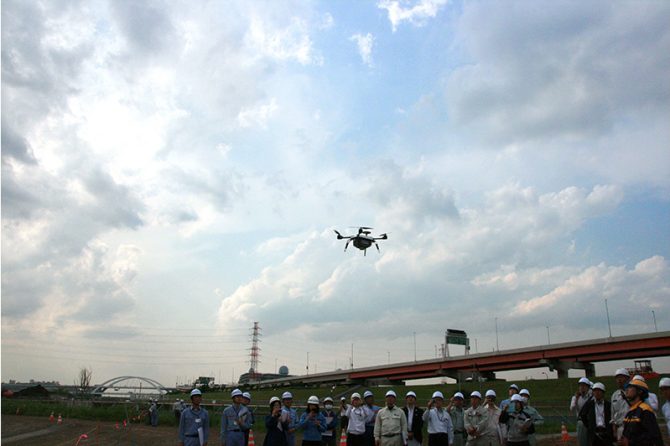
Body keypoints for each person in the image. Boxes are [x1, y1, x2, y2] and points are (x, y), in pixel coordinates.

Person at [620, 377, 662, 446]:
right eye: (626, 388)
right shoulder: (630, 412)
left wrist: (630, 442)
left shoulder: (645, 411)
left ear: (640, 391)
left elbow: (653, 437)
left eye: (630, 387)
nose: (626, 390)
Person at [570, 377, 593, 446]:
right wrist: (576, 399)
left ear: (588, 387)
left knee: (591, 441)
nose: (582, 387)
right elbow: (572, 409)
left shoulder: (591, 397)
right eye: (580, 386)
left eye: (584, 386)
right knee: (582, 441)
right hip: (581, 421)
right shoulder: (575, 397)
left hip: (591, 421)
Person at [610, 368, 630, 441]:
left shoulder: (633, 393)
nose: (619, 380)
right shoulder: (615, 395)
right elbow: (613, 415)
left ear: (627, 378)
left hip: (632, 427)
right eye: (617, 378)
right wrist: (614, 430)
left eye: (621, 377)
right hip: (620, 428)